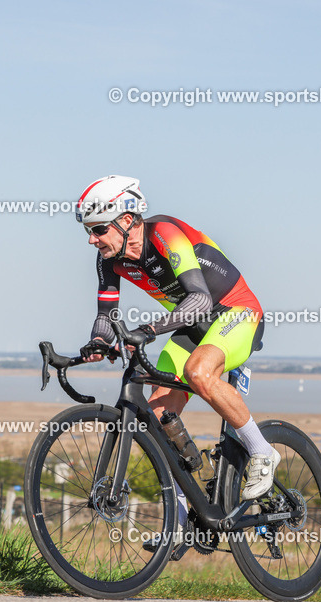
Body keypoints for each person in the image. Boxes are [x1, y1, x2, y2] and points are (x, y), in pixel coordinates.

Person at [75, 175, 278, 557]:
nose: (92, 239)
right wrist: (97, 343)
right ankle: (182, 520)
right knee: (156, 415)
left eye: (98, 229)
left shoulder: (165, 234)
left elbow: (200, 299)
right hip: (192, 326)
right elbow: (105, 315)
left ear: (127, 219)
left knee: (199, 372)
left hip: (235, 312)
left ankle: (262, 451)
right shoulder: (109, 262)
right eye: (88, 232)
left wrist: (148, 329)